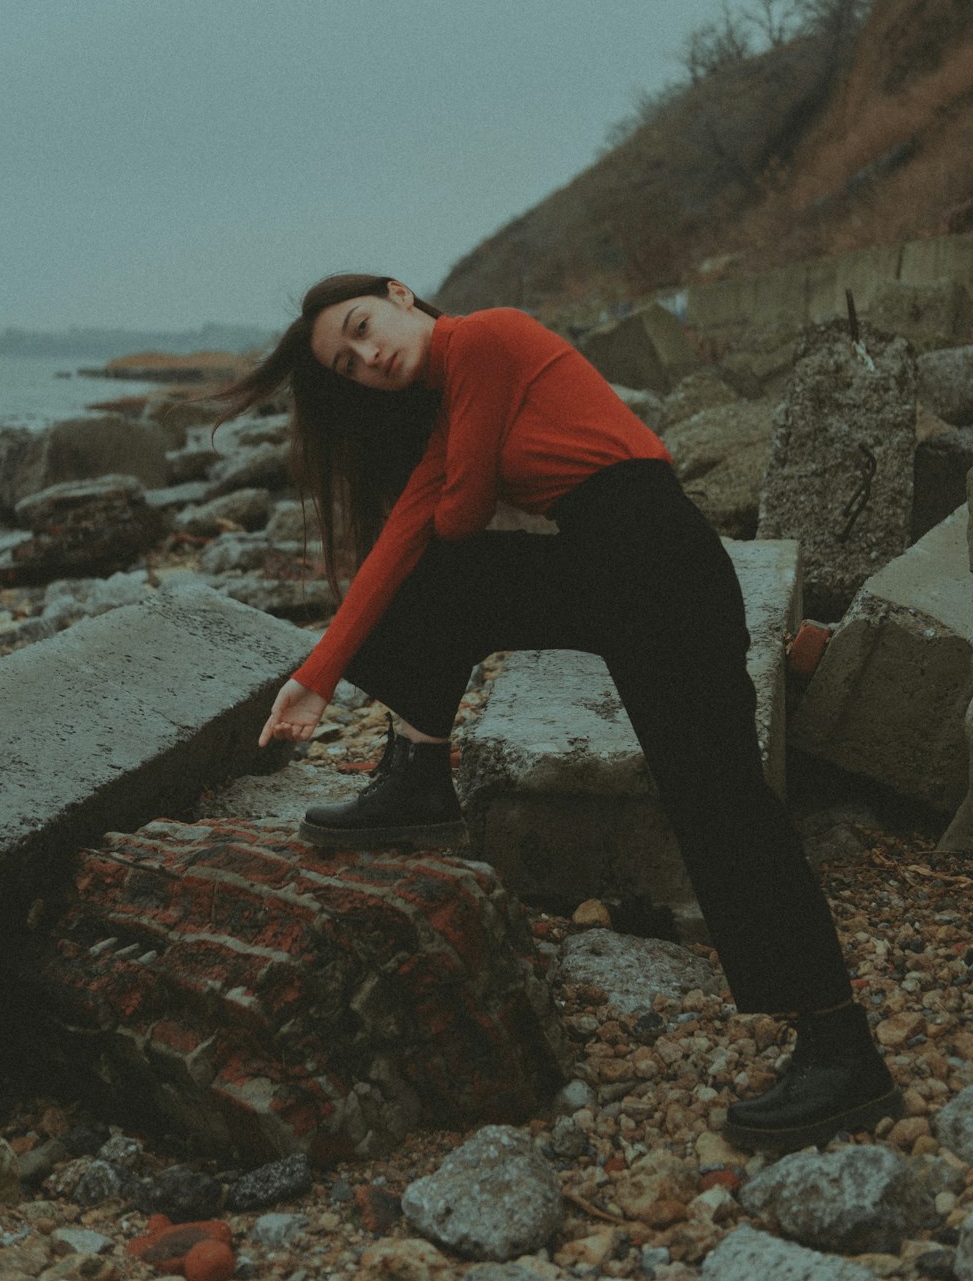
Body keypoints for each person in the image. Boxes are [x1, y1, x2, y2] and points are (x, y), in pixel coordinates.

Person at [212, 272, 902, 1152]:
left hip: (659, 562)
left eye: (363, 327)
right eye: (349, 364)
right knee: (407, 591)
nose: (370, 357)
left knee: (719, 802)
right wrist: (314, 676)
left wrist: (461, 474)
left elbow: (456, 512)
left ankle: (843, 1051)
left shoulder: (488, 338)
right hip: (606, 568)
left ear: (399, 293)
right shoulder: (456, 400)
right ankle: (421, 771)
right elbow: (402, 542)